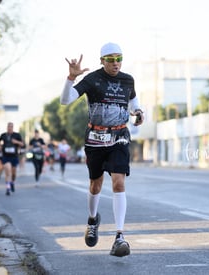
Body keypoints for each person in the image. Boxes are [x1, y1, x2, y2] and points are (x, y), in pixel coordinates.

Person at [60, 42, 144, 257]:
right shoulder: (92, 79)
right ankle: (92, 219)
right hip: (95, 139)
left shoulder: (128, 80)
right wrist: (71, 79)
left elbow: (133, 102)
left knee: (119, 181)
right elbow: (65, 101)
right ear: (102, 61)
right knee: (95, 185)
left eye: (119, 58)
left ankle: (119, 237)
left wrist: (138, 112)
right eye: (111, 59)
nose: (116, 63)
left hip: (119, 137)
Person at [0, 122, 24, 196]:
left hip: (14, 156)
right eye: (9, 126)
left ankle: (12, 182)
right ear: (7, 127)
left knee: (13, 173)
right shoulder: (3, 135)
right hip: (6, 157)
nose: (10, 128)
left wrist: (16, 142)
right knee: (8, 171)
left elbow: (22, 144)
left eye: (11, 126)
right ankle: (8, 188)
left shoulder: (17, 135)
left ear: (13, 127)